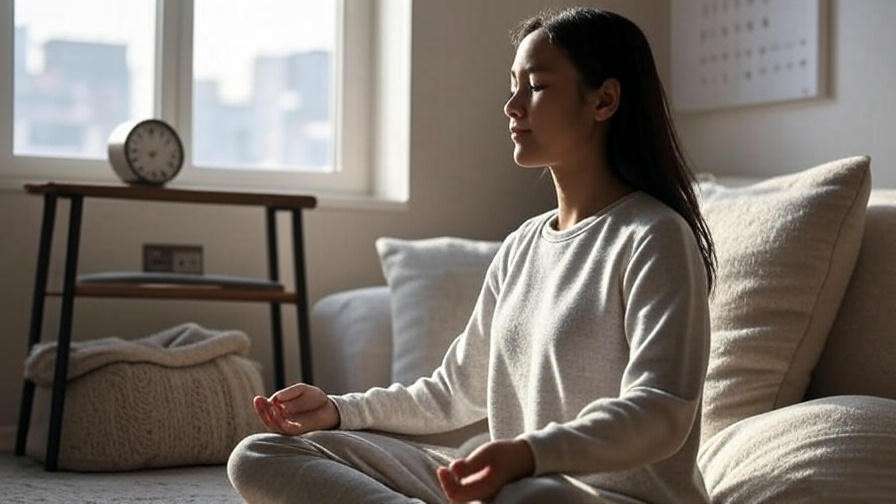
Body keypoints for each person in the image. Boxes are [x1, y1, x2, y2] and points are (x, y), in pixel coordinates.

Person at [228, 6, 717, 503]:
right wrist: (337, 410)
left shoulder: (656, 236)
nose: (512, 105)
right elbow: (452, 392)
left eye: (537, 86)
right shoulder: (522, 245)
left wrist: (526, 454)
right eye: (513, 84)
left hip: (600, 498)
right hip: (514, 484)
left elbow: (662, 412)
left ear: (604, 100)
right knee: (261, 454)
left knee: (532, 498)